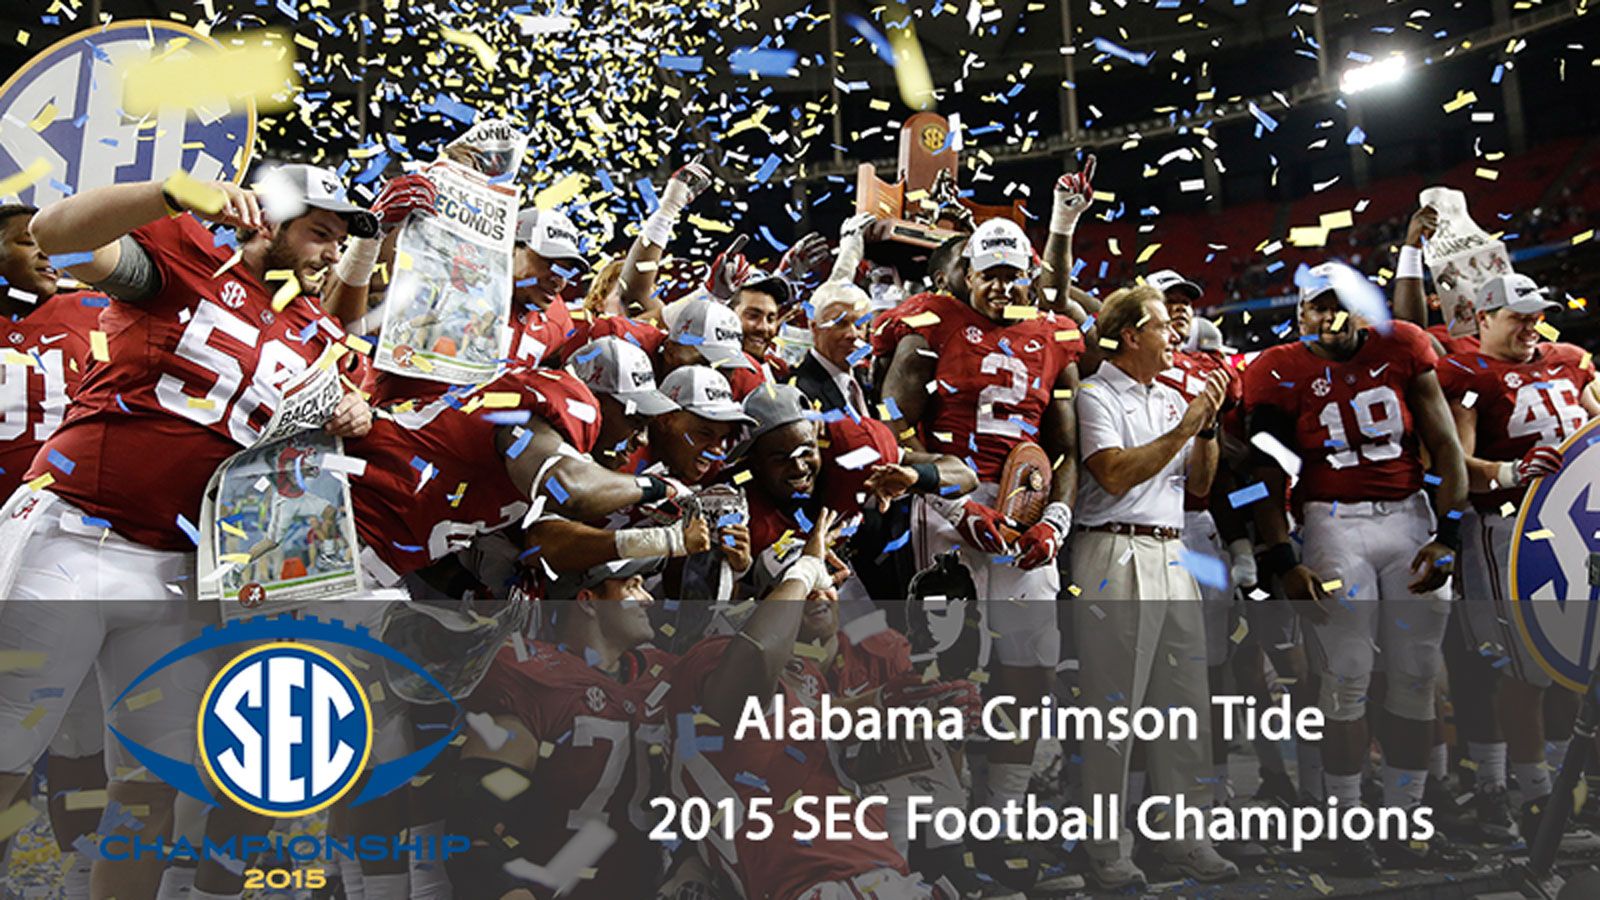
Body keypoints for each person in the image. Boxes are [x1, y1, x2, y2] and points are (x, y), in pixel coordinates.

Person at [0, 163, 379, 899]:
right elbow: (56, 235)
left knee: (149, 787)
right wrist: (167, 191)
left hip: (180, 569)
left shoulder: (316, 334)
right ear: (269, 217)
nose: (330, 254)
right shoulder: (183, 262)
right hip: (77, 535)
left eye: (340, 241)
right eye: (320, 232)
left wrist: (353, 415)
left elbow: (341, 409)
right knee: (8, 748)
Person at [1243, 265, 1476, 874]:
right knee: (1345, 677)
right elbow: (1258, 477)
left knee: (1417, 674)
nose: (1331, 318)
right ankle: (1346, 825)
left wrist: (1447, 532)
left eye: (1341, 305)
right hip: (1331, 522)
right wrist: (1281, 557)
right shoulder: (1275, 369)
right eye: (1318, 308)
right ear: (1300, 315)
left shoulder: (1401, 343)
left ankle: (1405, 821)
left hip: (1408, 518)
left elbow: (1445, 443)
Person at [880, 217, 1080, 851]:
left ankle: (1004, 814)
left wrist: (1054, 521)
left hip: (1023, 503)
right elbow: (892, 425)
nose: (1000, 287)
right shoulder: (931, 321)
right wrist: (953, 501)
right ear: (966, 273)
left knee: (1031, 663)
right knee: (944, 667)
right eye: (989, 274)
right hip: (945, 502)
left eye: (1011, 274)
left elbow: (1066, 448)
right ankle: (942, 825)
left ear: (1027, 275)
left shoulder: (1052, 334)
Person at [661, 508, 946, 899]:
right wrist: (807, 567)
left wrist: (890, 706)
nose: (816, 595)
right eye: (797, 588)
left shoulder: (811, 681)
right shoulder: (716, 657)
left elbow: (811, 738)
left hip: (890, 876)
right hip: (820, 887)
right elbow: (758, 655)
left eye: (824, 583)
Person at [1071, 284, 1235, 888]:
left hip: (1173, 547)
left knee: (1185, 705)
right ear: (1132, 334)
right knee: (1115, 708)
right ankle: (1107, 849)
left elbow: (1199, 487)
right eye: (1164, 326)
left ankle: (1187, 838)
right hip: (1111, 545)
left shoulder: (1173, 396)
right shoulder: (1093, 393)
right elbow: (1112, 474)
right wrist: (1186, 425)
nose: (1176, 336)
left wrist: (1208, 430)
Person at [1436, 272, 1599, 841]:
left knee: (1577, 662)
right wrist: (1507, 472)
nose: (1531, 325)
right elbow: (1456, 462)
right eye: (1516, 315)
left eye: (1536, 314)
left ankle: (1565, 790)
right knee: (1524, 665)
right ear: (1483, 318)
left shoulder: (1570, 360)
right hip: (1508, 529)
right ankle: (1533, 800)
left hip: (1579, 531)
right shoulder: (1467, 374)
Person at [446, 559, 675, 900]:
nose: (647, 599)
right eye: (631, 586)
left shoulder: (667, 673)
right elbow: (474, 829)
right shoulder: (535, 678)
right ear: (587, 601)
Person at [794, 281, 873, 418]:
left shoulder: (864, 379)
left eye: (859, 325)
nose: (853, 335)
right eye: (840, 324)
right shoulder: (797, 392)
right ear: (815, 328)